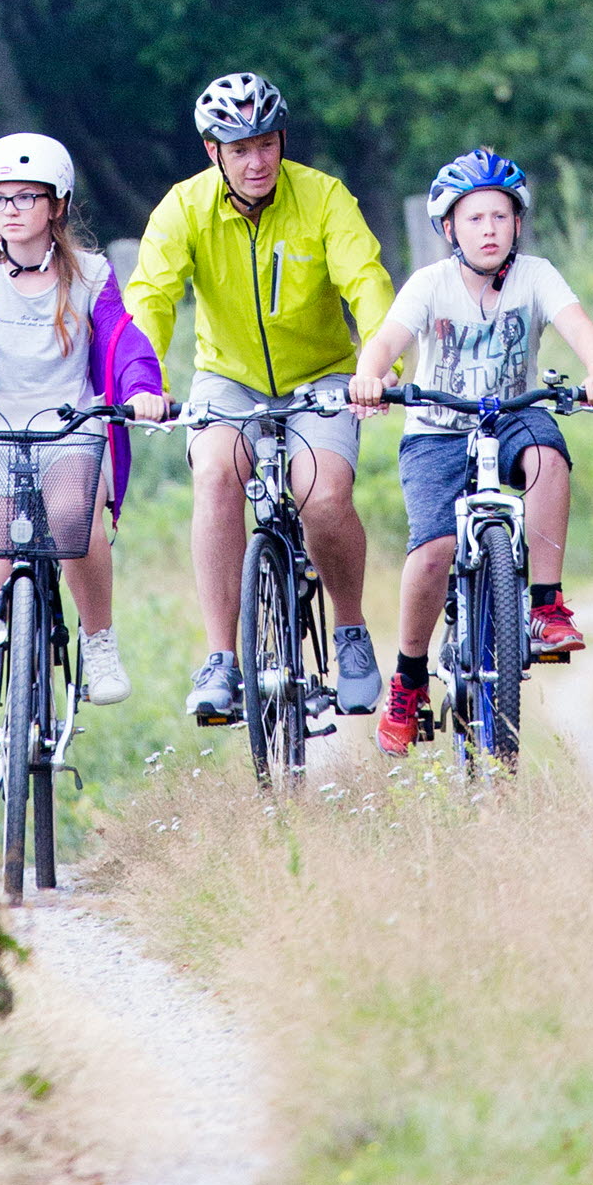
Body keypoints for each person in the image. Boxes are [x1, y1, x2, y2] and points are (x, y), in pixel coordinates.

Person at [0, 136, 172, 842]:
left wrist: (142, 392)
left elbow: (125, 345)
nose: (10, 210)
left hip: (69, 436)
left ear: (57, 205)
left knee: (76, 512)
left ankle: (98, 639)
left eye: (26, 198)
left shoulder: (93, 279)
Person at [123, 73, 396, 726]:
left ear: (281, 142)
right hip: (228, 378)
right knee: (217, 472)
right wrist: (141, 380)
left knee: (323, 495)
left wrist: (382, 367)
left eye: (267, 144)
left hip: (322, 375)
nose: (256, 161)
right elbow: (151, 296)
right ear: (211, 151)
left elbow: (367, 283)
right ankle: (221, 657)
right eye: (238, 148)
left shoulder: (322, 197)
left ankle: (352, 634)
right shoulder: (182, 208)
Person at [351, 149, 593, 755]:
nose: (490, 229)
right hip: (437, 430)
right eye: (475, 219)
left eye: (501, 216)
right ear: (449, 229)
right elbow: (387, 339)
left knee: (550, 458)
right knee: (433, 550)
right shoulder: (431, 284)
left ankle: (546, 606)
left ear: (518, 224)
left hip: (513, 414)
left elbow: (575, 323)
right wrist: (369, 377)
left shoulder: (537, 274)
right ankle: (411, 678)